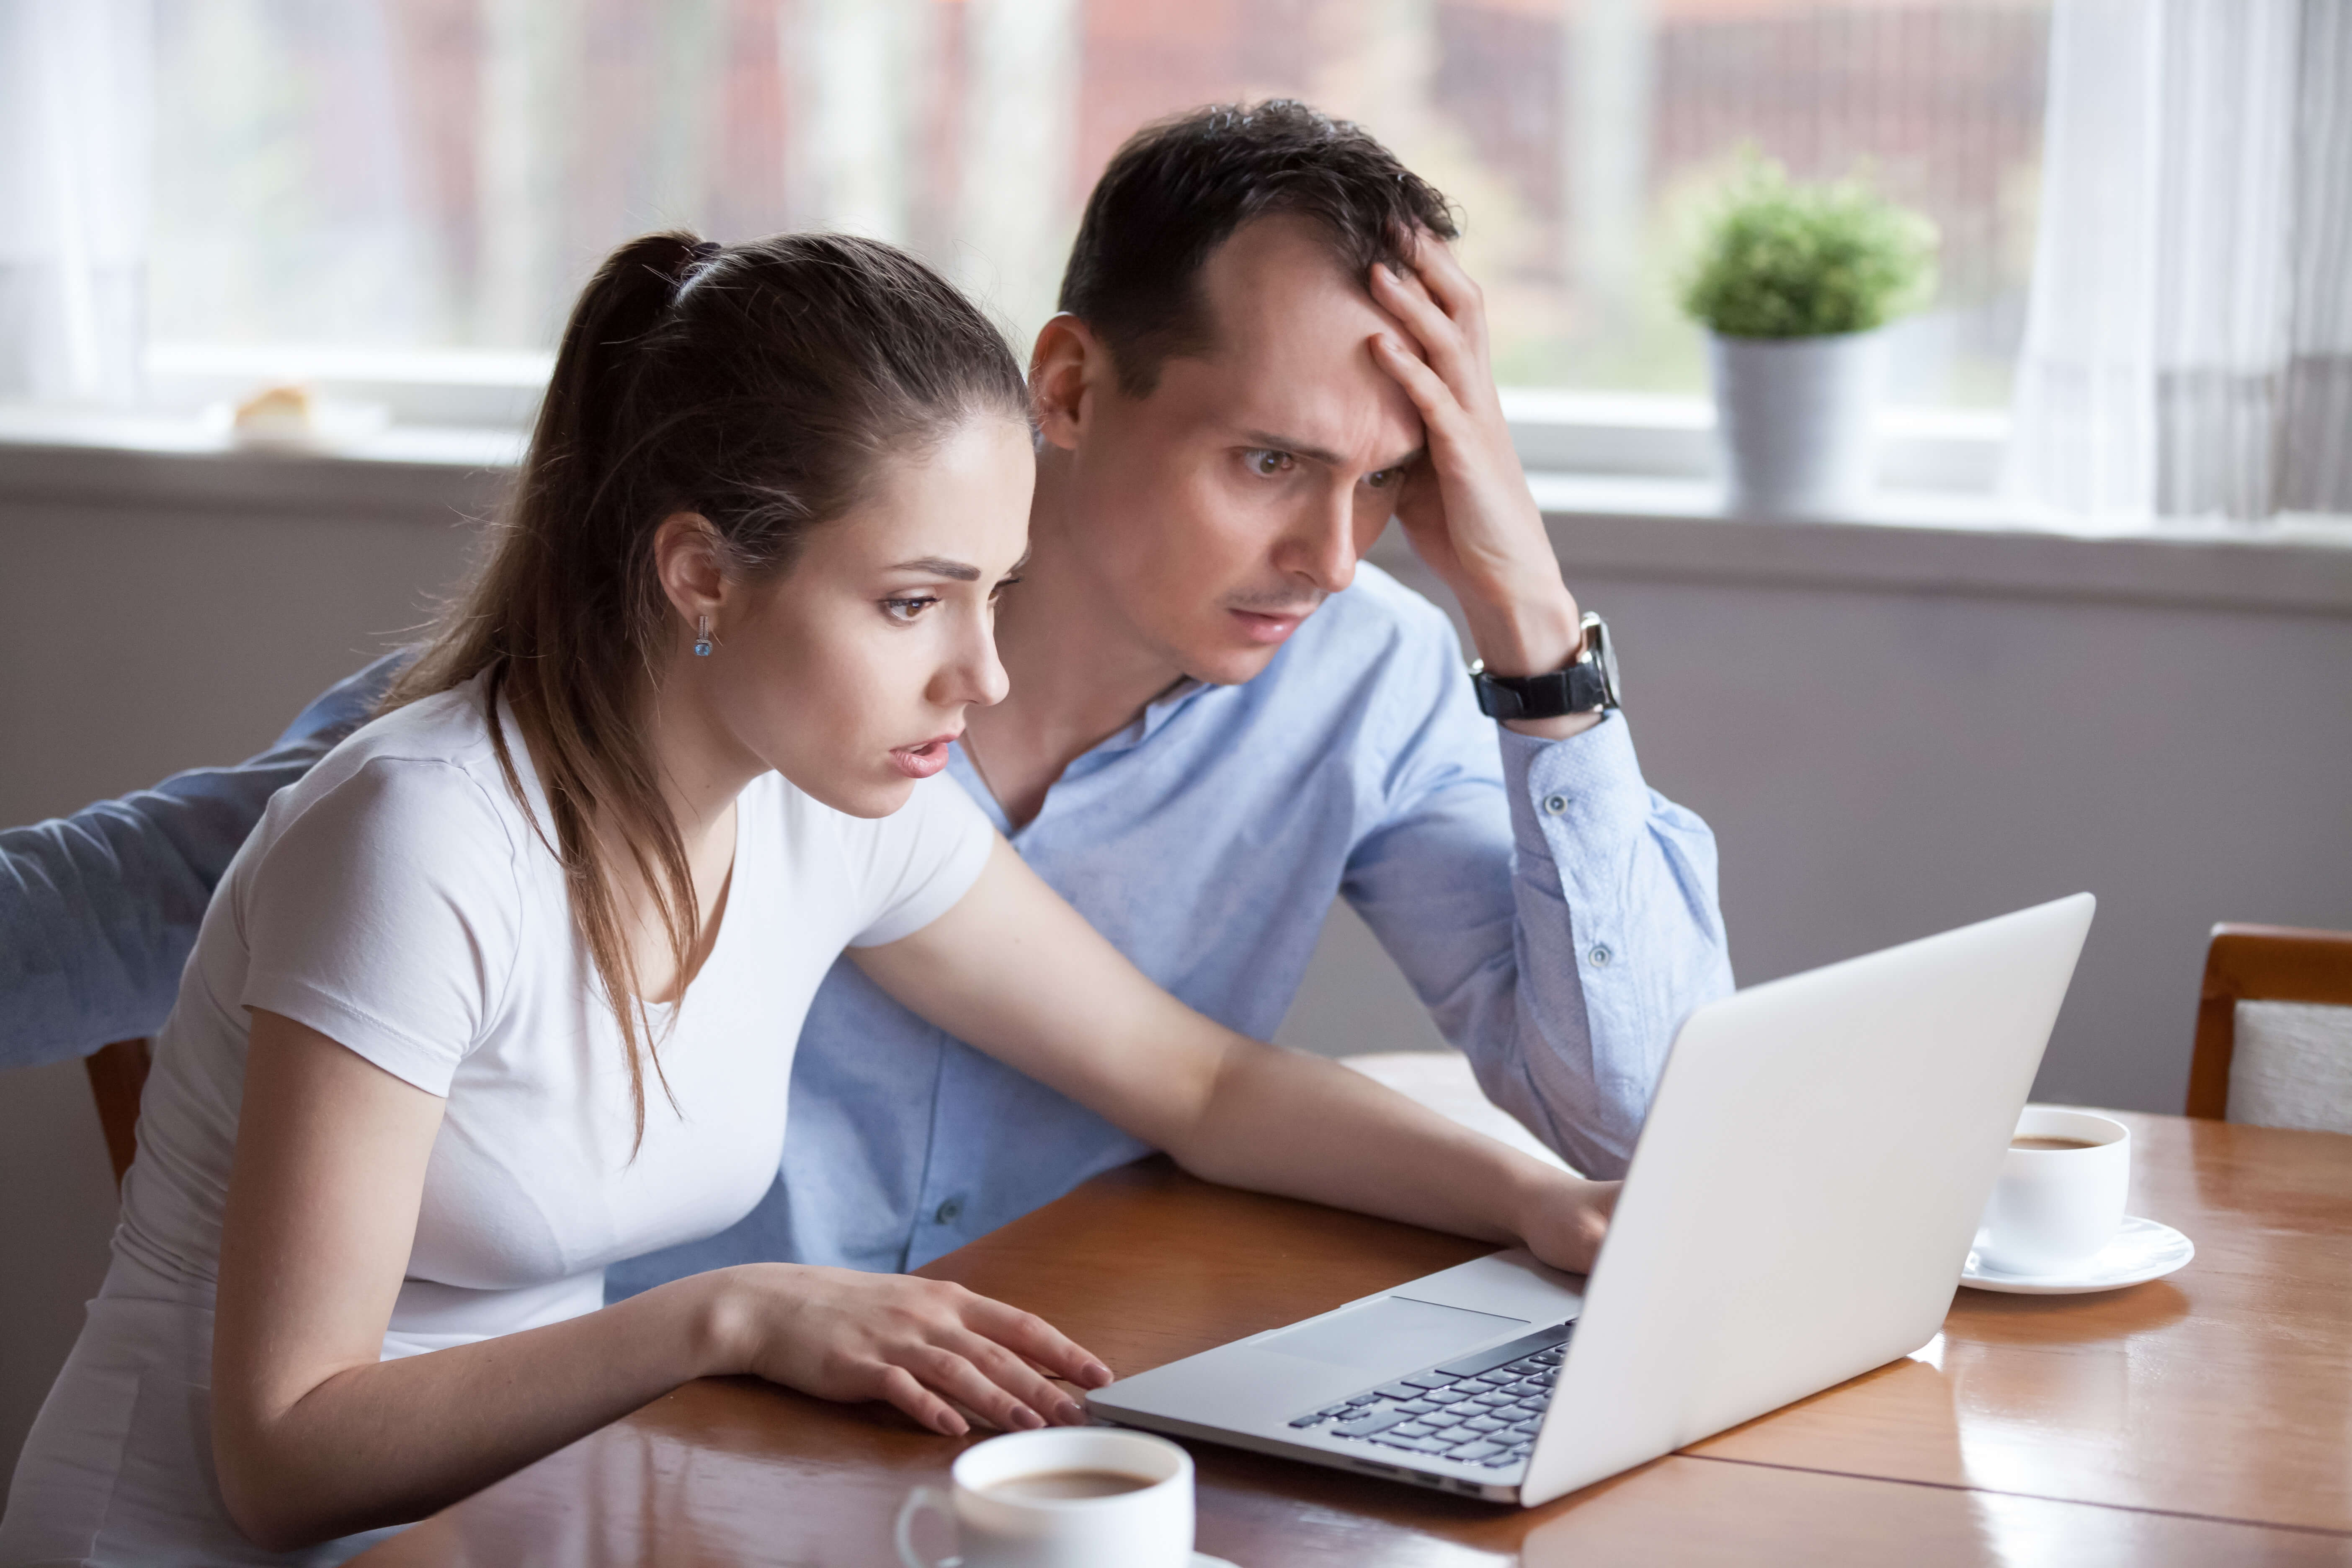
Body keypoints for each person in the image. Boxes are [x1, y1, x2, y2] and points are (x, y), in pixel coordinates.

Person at [0, 231, 1615, 1566]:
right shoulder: (418, 840)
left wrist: (1536, 1205)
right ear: (702, 574)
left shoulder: (831, 805)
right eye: (912, 601)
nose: (976, 675)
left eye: (993, 594)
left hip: (521, 1520)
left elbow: (1199, 1084)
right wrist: (728, 1320)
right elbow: (284, 1455)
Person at [1, 102, 1729, 1268]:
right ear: (1068, 385)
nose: (1339, 555)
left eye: (1394, 478)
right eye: (1270, 460)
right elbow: (117, 912)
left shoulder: (1369, 680)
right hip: (622, 1456)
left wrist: (1531, 617)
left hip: (1048, 1405)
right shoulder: (683, 687)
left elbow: (1631, 1118)